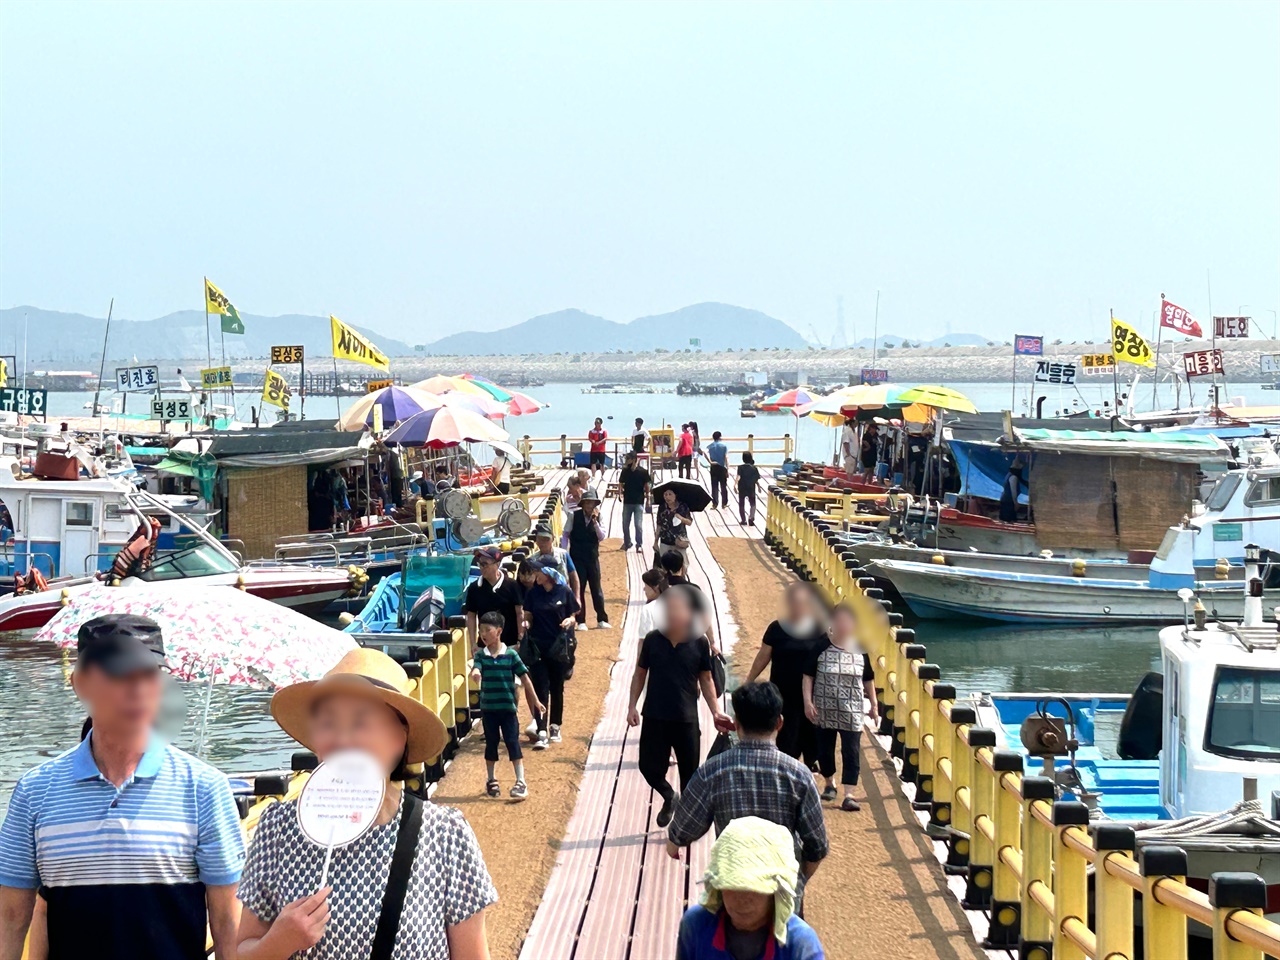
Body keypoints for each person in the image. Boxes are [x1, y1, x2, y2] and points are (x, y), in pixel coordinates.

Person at [0, 615, 245, 960]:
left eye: (149, 675)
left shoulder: (204, 788)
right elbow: (11, 914)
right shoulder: (34, 792)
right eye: (120, 674)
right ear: (80, 684)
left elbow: (226, 914)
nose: (138, 689)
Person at [236, 648, 496, 959]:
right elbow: (242, 951)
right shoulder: (278, 827)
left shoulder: (444, 834)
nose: (342, 739)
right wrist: (281, 940)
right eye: (328, 723)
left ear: (399, 737)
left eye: (360, 723)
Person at [667, 683, 829, 908]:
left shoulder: (712, 771)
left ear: (736, 724)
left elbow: (682, 832)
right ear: (779, 723)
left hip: (732, 891)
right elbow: (817, 847)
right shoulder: (799, 776)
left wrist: (673, 845)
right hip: (781, 894)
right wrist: (799, 880)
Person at [627, 585, 732, 827]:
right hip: (654, 715)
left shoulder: (699, 643)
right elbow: (640, 673)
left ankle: (684, 824)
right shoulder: (653, 640)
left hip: (686, 718)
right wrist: (632, 705)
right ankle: (668, 795)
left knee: (690, 776)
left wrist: (716, 710)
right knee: (648, 767)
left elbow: (705, 679)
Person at [675, 817, 825, 960]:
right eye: (732, 886)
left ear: (776, 891)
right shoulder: (695, 927)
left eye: (754, 889)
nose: (742, 899)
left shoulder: (801, 945)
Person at [802, 603, 879, 811]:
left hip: (852, 709)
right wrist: (808, 702)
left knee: (851, 751)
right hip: (824, 708)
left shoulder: (860, 648)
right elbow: (808, 675)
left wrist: (874, 704)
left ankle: (849, 794)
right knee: (825, 749)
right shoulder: (821, 645)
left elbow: (868, 678)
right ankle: (829, 783)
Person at [744, 583, 827, 765]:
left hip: (811, 694)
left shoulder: (819, 630)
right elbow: (763, 656)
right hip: (782, 693)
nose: (798, 606)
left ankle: (813, 772)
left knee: (811, 738)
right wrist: (749, 680)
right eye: (794, 602)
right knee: (786, 739)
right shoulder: (777, 628)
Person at [470, 611, 543, 800]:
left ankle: (520, 781)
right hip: (489, 710)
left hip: (508, 709)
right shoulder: (481, 656)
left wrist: (535, 701)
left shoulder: (510, 655)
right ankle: (491, 779)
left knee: (512, 742)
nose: (483, 634)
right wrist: (476, 674)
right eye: (481, 630)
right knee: (491, 744)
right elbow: (476, 668)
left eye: (487, 630)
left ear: (499, 631)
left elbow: (525, 678)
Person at [522, 560, 580, 750]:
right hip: (538, 647)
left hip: (558, 647)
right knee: (540, 688)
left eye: (537, 572)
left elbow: (574, 614)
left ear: (547, 573)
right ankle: (541, 730)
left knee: (557, 687)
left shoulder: (564, 591)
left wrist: (569, 621)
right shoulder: (533, 593)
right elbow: (528, 615)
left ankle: (555, 726)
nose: (534, 576)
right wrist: (526, 624)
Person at [563, 486, 610, 630]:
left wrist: (595, 523)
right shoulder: (573, 516)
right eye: (587, 503)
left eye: (592, 503)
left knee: (596, 588)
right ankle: (581, 620)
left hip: (592, 557)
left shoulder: (599, 517)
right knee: (579, 588)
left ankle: (601, 618)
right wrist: (564, 552)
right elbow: (566, 534)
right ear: (583, 504)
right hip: (577, 557)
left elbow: (601, 536)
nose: (590, 506)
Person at [464, 546, 524, 654]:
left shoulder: (511, 585)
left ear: (497, 564)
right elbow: (471, 616)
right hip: (485, 647)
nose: (482, 568)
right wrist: (473, 644)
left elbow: (519, 613)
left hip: (510, 646)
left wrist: (520, 640)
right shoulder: (474, 588)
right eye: (480, 564)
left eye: (485, 564)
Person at [658, 549, 718, 654]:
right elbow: (704, 618)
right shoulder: (693, 589)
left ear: (663, 568)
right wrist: (712, 642)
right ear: (682, 567)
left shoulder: (659, 589)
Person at [532, 523, 581, 601]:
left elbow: (574, 577)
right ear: (536, 540)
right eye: (540, 539)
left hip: (563, 598)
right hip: (542, 601)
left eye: (546, 539)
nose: (543, 543)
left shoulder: (563, 555)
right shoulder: (533, 560)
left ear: (552, 539)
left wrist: (577, 598)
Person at [619, 451, 651, 554]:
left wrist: (648, 499)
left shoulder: (643, 472)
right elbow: (620, 483)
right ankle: (627, 542)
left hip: (639, 502)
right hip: (627, 501)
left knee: (638, 525)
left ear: (633, 460)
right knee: (625, 524)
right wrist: (620, 494)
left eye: (628, 459)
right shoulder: (625, 471)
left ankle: (639, 544)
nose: (626, 461)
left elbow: (647, 486)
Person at [654, 486, 694, 569]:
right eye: (665, 494)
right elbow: (659, 525)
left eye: (670, 494)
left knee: (682, 565)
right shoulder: (662, 507)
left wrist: (681, 518)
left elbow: (689, 522)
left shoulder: (683, 507)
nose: (667, 497)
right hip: (665, 540)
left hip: (680, 540)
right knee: (664, 565)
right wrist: (656, 541)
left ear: (675, 495)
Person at [635, 568, 668, 637]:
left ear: (656, 587)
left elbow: (644, 638)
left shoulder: (648, 609)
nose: (644, 589)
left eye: (646, 586)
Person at [736, 452, 761, 526]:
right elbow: (756, 479)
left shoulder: (740, 467)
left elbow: (738, 476)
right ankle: (751, 518)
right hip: (751, 487)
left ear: (743, 459)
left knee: (741, 504)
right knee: (753, 504)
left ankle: (743, 520)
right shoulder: (754, 468)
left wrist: (735, 484)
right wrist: (759, 486)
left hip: (742, 487)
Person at [706, 430, 729, 509]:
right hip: (722, 467)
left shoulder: (710, 446)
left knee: (714, 486)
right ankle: (724, 503)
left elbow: (704, 452)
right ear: (720, 437)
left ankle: (715, 503)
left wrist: (710, 461)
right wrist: (727, 469)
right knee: (723, 486)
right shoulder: (724, 446)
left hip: (714, 467)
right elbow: (726, 457)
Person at [840, 415, 858, 480]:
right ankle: (848, 484)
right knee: (849, 472)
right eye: (856, 422)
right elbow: (845, 442)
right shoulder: (847, 430)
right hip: (849, 455)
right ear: (852, 422)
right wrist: (848, 454)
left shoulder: (854, 432)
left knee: (852, 472)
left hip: (854, 455)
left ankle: (850, 483)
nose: (857, 424)